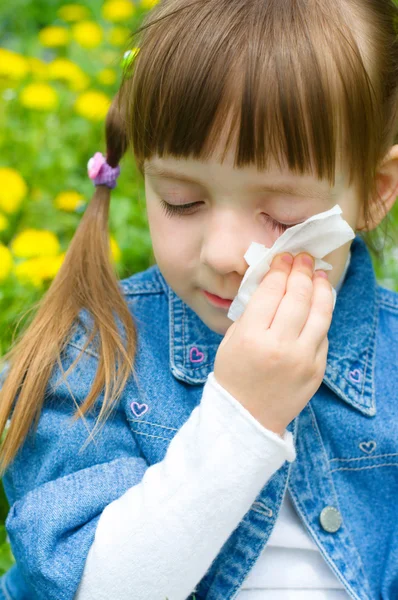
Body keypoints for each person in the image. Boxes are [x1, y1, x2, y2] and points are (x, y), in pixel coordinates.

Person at [0, 0, 398, 598]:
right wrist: (240, 419)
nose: (223, 252)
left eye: (281, 212)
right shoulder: (93, 361)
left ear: (374, 192)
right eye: (183, 200)